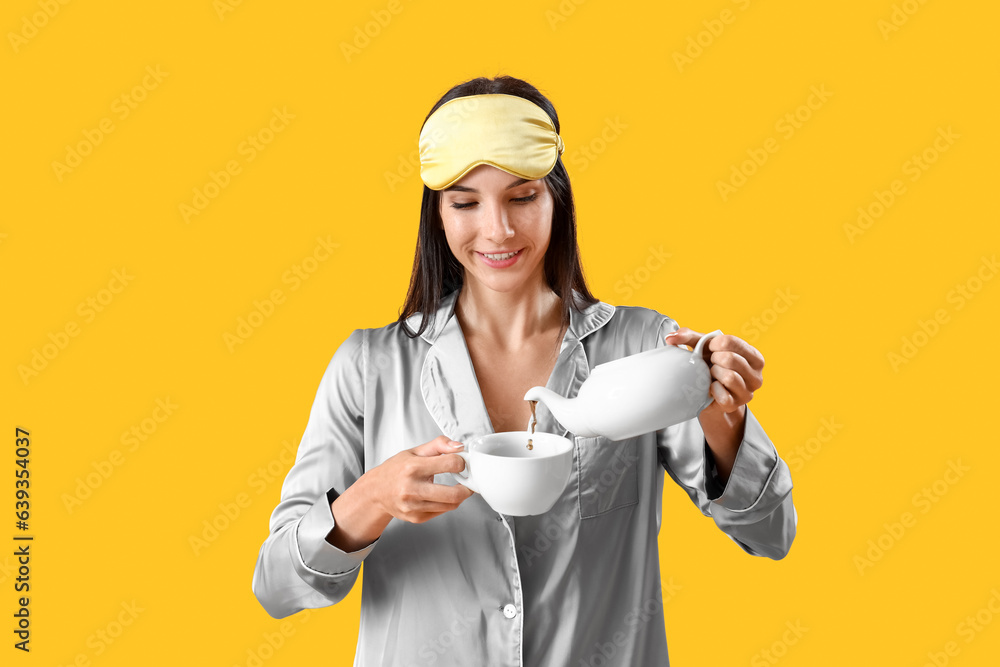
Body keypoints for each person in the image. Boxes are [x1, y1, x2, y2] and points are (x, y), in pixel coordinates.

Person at [251, 75, 797, 666]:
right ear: (437, 215)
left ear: (556, 200)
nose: (498, 230)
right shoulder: (368, 366)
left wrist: (723, 414)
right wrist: (371, 500)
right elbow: (278, 586)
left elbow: (771, 535)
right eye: (465, 203)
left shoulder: (645, 346)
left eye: (522, 197)